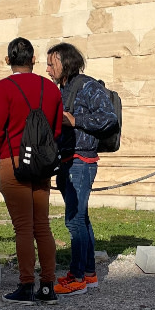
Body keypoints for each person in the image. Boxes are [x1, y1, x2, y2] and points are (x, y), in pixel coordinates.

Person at [0, 37, 63, 305]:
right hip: (41, 163)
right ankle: (48, 286)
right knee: (42, 226)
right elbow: (55, 129)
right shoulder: (51, 89)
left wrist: (1, 153)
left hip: (15, 160)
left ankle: (25, 285)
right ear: (33, 60)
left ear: (8, 60)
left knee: (23, 227)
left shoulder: (4, 87)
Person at [45, 43, 119, 296]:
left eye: (51, 64)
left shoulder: (88, 86)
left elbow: (109, 117)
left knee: (74, 220)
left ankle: (77, 278)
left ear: (65, 63)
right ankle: (88, 275)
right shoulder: (63, 89)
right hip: (67, 159)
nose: (47, 69)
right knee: (82, 219)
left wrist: (76, 120)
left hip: (81, 161)